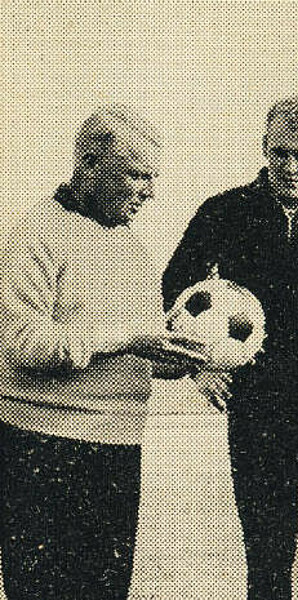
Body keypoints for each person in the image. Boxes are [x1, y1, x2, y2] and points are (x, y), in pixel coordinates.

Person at [162, 95, 298, 600]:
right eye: (279, 152)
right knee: (266, 554)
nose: (289, 166)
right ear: (264, 147)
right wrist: (198, 368)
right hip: (257, 405)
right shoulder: (224, 211)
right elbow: (175, 290)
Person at [0, 106, 208, 600]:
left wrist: (168, 361)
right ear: (90, 166)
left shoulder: (132, 244)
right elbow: (22, 344)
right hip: (42, 447)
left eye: (153, 179)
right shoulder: (32, 236)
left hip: (117, 449)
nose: (149, 193)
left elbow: (128, 344)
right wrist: (128, 341)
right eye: (137, 176)